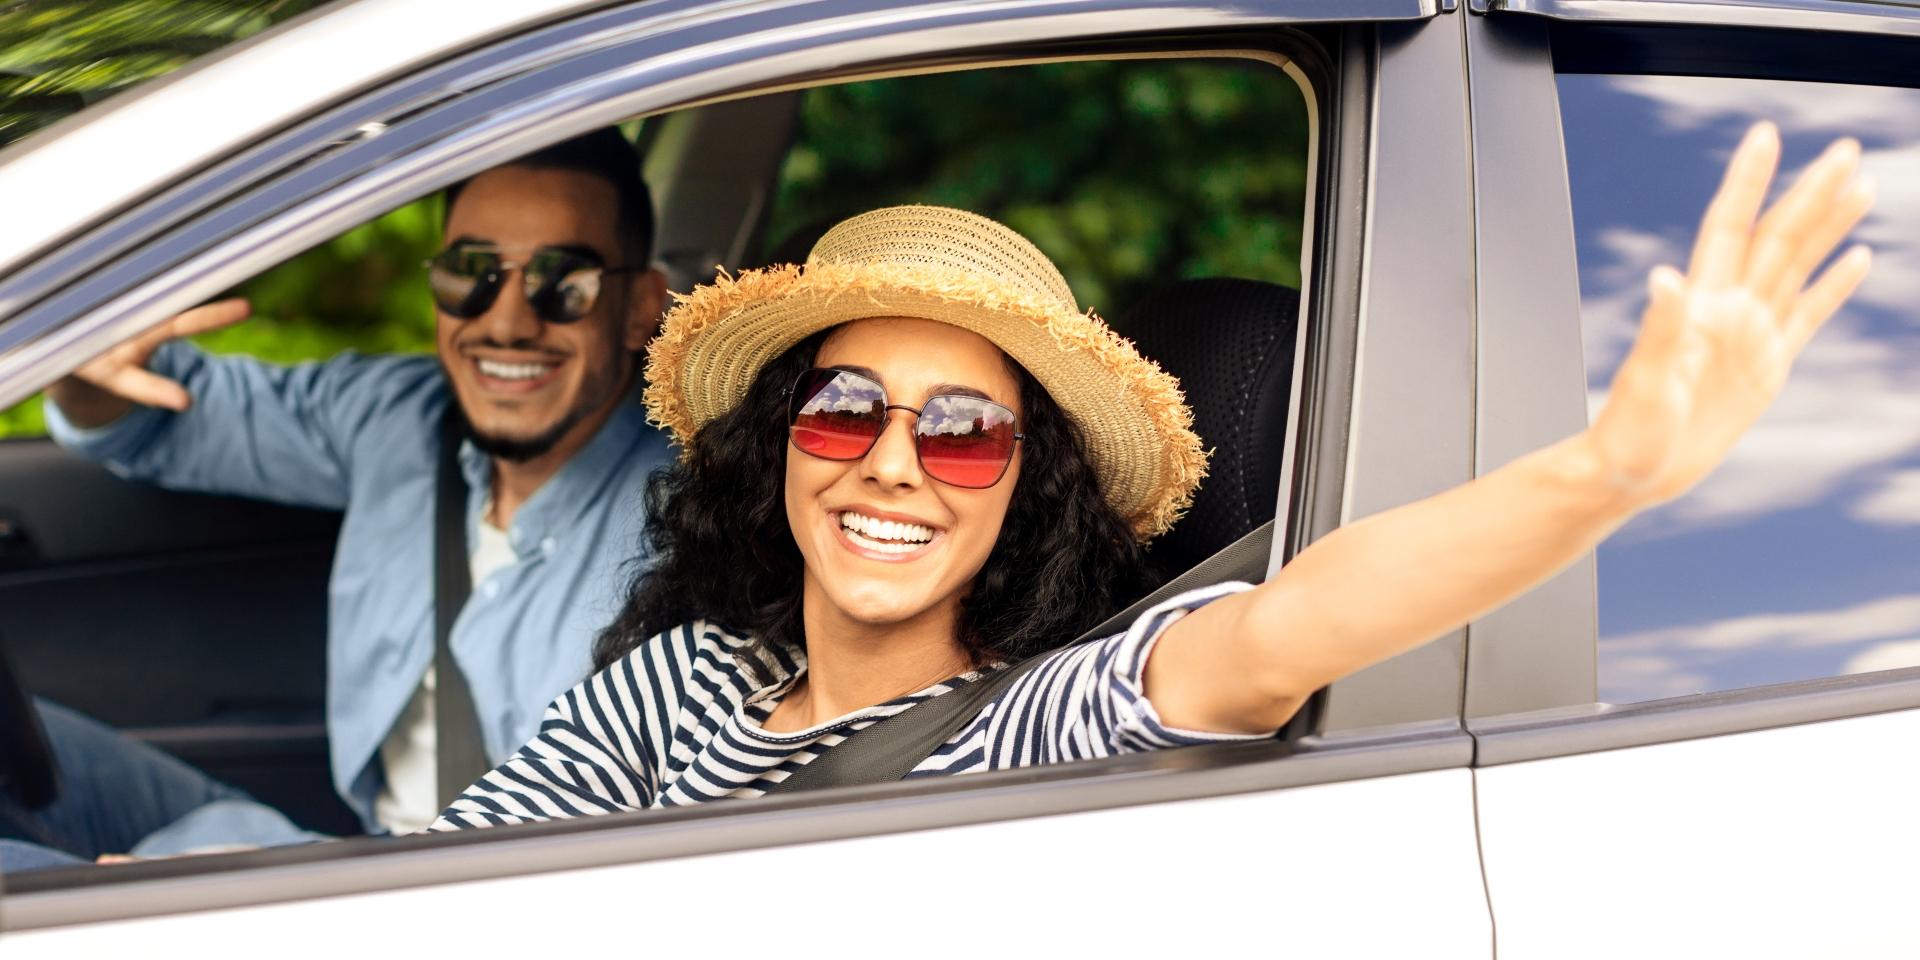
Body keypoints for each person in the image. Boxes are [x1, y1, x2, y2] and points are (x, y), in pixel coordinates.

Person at [432, 123, 1873, 829]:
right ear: (777, 448)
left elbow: (1284, 634)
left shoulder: (1025, 728)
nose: (892, 464)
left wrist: (1610, 471)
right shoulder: (680, 680)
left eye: (964, 432)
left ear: (1023, 491)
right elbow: (454, 891)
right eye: (846, 408)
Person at [0, 129, 674, 867]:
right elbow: (159, 421)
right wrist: (82, 366)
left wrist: (209, 913)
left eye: (562, 280)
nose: (507, 322)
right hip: (349, 858)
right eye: (471, 273)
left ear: (642, 306)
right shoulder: (398, 417)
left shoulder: (694, 517)